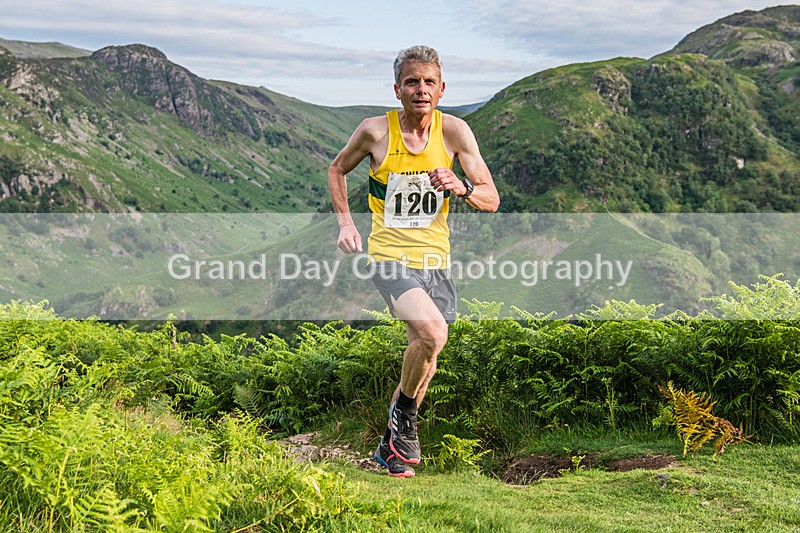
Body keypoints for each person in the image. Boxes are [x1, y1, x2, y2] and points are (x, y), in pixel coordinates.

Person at [328, 45, 499, 478]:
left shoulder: (456, 133)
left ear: (441, 89)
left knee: (429, 348)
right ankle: (404, 417)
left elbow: (491, 199)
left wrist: (459, 187)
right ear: (397, 89)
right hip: (388, 256)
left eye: (428, 82)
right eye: (411, 82)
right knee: (432, 331)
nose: (420, 90)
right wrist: (346, 225)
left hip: (435, 258)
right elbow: (336, 169)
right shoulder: (374, 132)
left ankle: (392, 449)